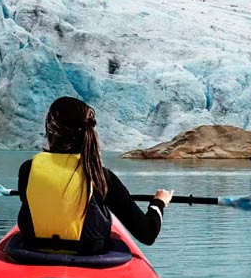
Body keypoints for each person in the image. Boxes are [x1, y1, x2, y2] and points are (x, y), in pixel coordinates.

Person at [17, 96, 173, 254]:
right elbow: (148, 233)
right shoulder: (100, 177)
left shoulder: (27, 170)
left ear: (50, 131)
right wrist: (158, 203)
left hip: (33, 250)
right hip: (88, 253)